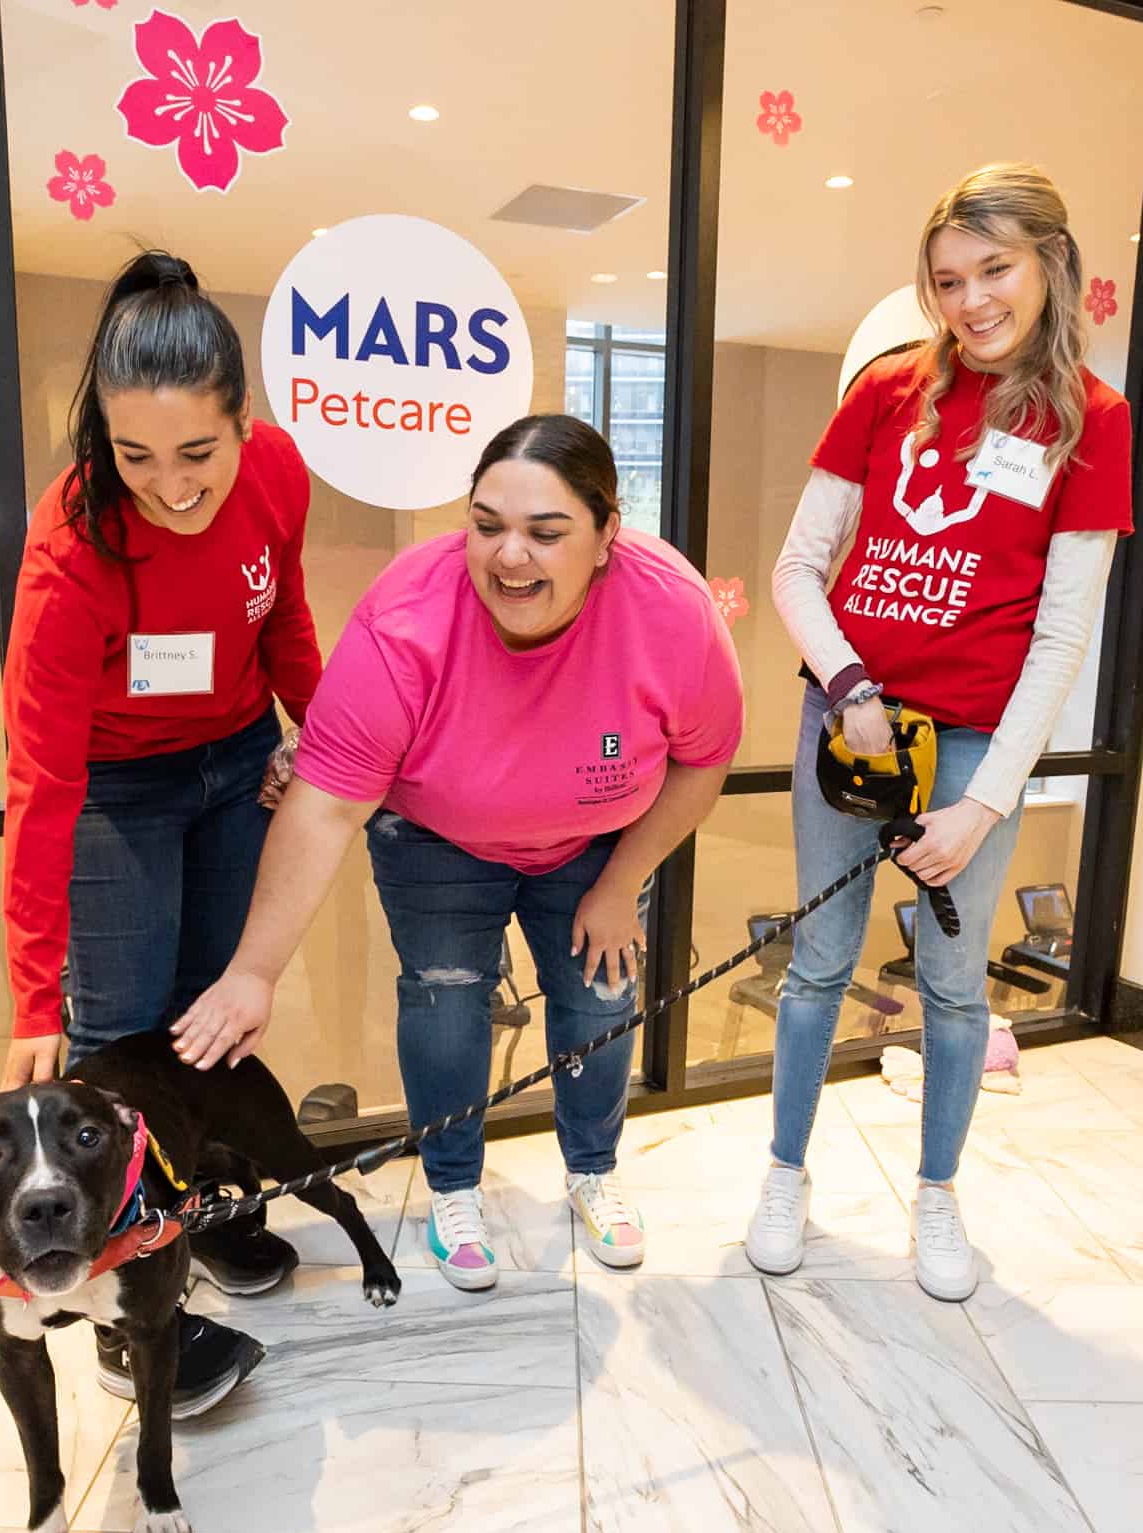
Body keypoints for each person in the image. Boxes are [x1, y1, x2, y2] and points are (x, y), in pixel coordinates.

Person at [173, 414, 745, 1289]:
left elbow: (704, 760)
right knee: (445, 1001)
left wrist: (621, 882)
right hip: (435, 835)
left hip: (593, 841)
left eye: (546, 533)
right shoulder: (405, 618)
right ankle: (452, 1189)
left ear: (605, 540)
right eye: (487, 526)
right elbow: (323, 810)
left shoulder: (671, 612)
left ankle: (594, 1169)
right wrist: (255, 970)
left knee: (598, 992)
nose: (509, 556)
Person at [746, 163, 1134, 1297]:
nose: (969, 303)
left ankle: (937, 1193)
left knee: (957, 988)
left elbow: (1061, 639)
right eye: (947, 280)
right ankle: (784, 1172)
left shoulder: (1090, 421)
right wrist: (850, 681)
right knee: (816, 967)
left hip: (974, 742)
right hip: (850, 714)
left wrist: (981, 802)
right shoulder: (881, 391)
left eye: (993, 271)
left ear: (1053, 264)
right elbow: (796, 570)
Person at [0, 249, 323, 1410]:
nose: (171, 486)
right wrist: (36, 994)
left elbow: (281, 606)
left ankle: (219, 1207)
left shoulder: (279, 473)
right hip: (115, 795)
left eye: (198, 453)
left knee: (214, 1023)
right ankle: (137, 1320)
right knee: (125, 1048)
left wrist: (312, 734)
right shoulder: (71, 554)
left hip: (235, 766)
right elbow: (38, 779)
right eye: (135, 456)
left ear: (246, 425)